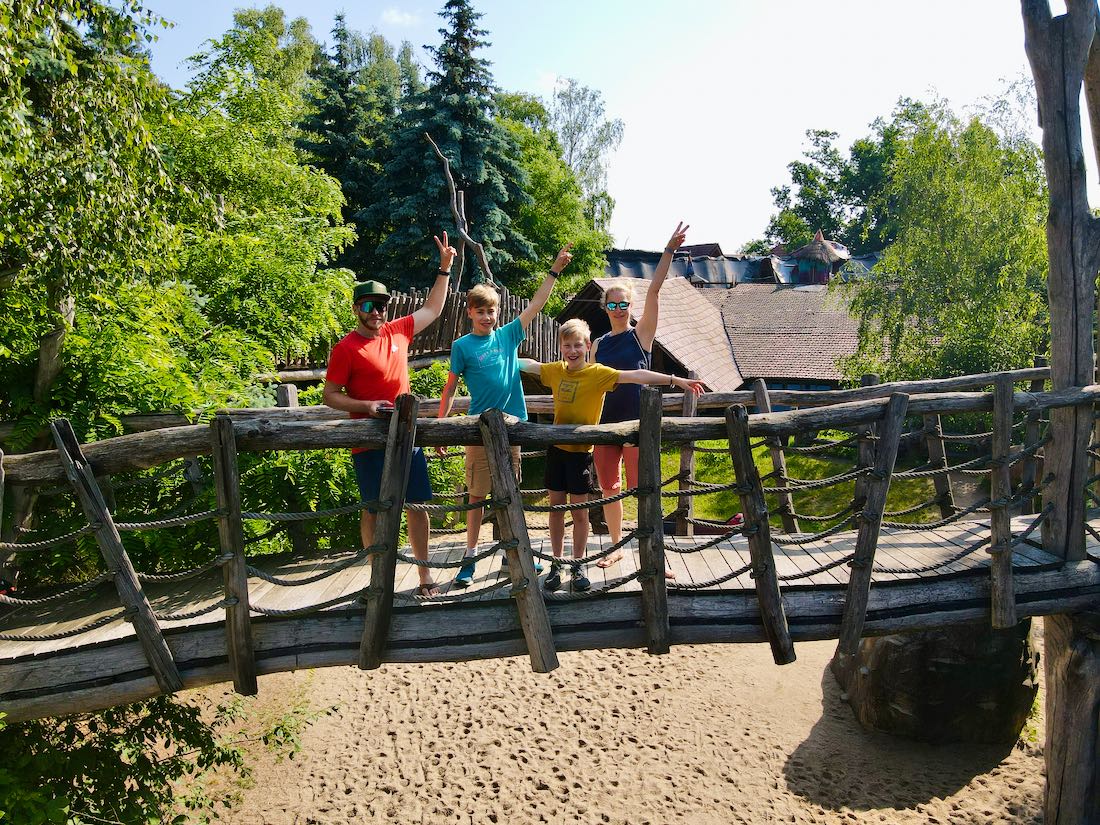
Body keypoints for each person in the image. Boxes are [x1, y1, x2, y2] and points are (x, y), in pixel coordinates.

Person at [520, 318, 704, 592]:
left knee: (579, 512)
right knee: (556, 510)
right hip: (556, 450)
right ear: (560, 347)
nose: (572, 351)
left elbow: (635, 375)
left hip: (581, 453)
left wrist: (674, 379)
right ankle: (557, 562)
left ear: (587, 346)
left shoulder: (598, 373)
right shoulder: (555, 371)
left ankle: (578, 562)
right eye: (567, 346)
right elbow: (528, 365)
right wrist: (497, 352)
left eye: (578, 345)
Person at [323, 232, 457, 597]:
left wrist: (443, 269)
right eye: (368, 306)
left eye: (381, 305)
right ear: (356, 309)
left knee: (416, 506)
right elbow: (330, 396)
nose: (376, 312)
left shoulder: (398, 332)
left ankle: (425, 576)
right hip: (367, 441)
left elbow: (433, 309)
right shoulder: (345, 349)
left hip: (406, 438)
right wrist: (365, 407)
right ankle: (375, 578)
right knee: (374, 510)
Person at [437, 245, 575, 587]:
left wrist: (555, 269)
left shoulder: (509, 335)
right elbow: (451, 388)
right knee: (476, 496)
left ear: (498, 312)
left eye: (492, 311)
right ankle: (469, 557)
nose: (487, 316)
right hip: (478, 430)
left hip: (513, 428)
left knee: (509, 493)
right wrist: (440, 427)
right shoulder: (462, 346)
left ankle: (512, 551)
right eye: (481, 311)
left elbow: (537, 304)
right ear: (470, 312)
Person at [592, 222, 689, 576]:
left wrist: (668, 252)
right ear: (605, 307)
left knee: (644, 489)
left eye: (623, 303)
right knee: (609, 488)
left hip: (637, 424)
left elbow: (656, 292)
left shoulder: (641, 335)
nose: (618, 307)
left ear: (630, 306)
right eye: (612, 303)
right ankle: (617, 547)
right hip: (605, 426)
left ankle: (655, 554)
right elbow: (592, 385)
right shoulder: (598, 345)